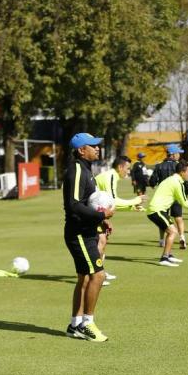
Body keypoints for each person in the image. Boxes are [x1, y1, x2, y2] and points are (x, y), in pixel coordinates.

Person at [63, 133, 115, 342]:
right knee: (98, 276)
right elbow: (73, 205)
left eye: (97, 145)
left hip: (88, 230)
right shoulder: (76, 169)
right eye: (93, 146)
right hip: (79, 234)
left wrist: (100, 221)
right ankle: (87, 323)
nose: (97, 148)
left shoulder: (86, 170)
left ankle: (75, 325)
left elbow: (85, 203)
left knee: (85, 277)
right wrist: (101, 214)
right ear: (81, 150)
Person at [146, 161, 188, 266]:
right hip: (156, 210)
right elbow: (184, 202)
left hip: (157, 210)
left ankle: (168, 255)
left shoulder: (172, 179)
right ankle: (164, 258)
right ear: (181, 172)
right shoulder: (176, 183)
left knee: (170, 231)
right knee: (172, 232)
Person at [94, 156, 146, 285]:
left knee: (103, 241)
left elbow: (111, 203)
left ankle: (100, 272)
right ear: (120, 167)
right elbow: (113, 201)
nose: (128, 172)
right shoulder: (110, 176)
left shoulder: (112, 176)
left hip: (98, 212)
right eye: (127, 169)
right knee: (101, 241)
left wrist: (131, 207)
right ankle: (96, 275)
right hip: (92, 213)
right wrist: (135, 200)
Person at [149, 144, 188, 249]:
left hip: (163, 198)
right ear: (173, 154)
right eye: (178, 153)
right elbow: (186, 183)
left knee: (163, 219)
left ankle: (162, 240)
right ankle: (182, 238)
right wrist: (186, 193)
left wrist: (153, 185)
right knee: (179, 218)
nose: (179, 155)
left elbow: (152, 181)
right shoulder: (180, 166)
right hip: (176, 196)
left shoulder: (159, 166)